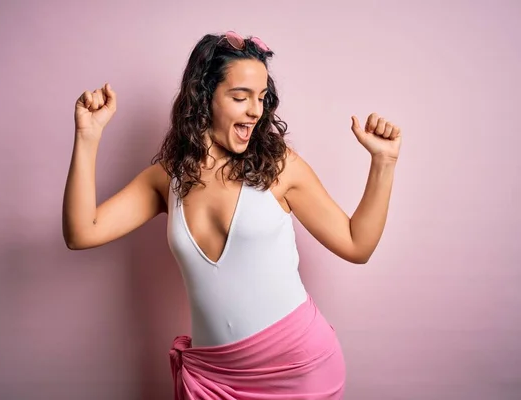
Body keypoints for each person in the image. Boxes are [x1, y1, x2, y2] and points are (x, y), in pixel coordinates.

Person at [63, 31, 401, 400]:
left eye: (261, 98)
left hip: (298, 370)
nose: (255, 110)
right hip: (213, 378)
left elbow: (357, 245)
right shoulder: (166, 179)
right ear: (203, 99)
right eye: (241, 97)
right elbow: (81, 232)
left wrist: (384, 161)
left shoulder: (280, 167)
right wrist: (87, 135)